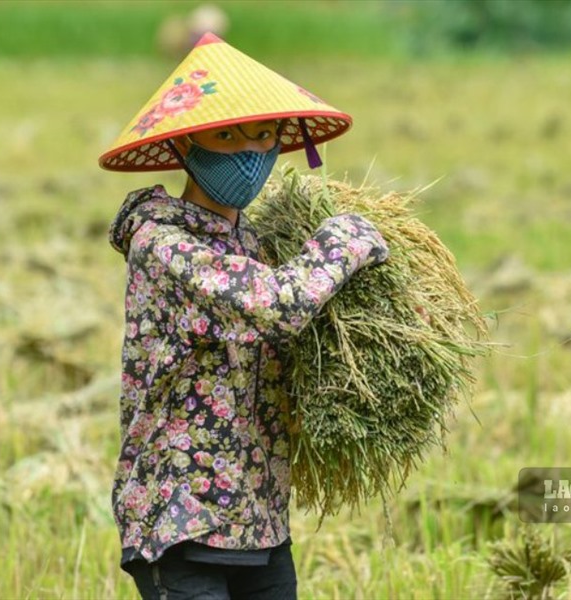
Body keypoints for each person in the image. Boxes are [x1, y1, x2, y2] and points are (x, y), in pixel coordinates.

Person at [99, 33, 389, 599]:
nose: (249, 150)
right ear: (186, 143)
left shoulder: (255, 243)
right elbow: (279, 307)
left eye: (261, 134)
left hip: (259, 519)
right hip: (180, 518)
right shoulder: (163, 243)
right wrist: (345, 241)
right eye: (227, 134)